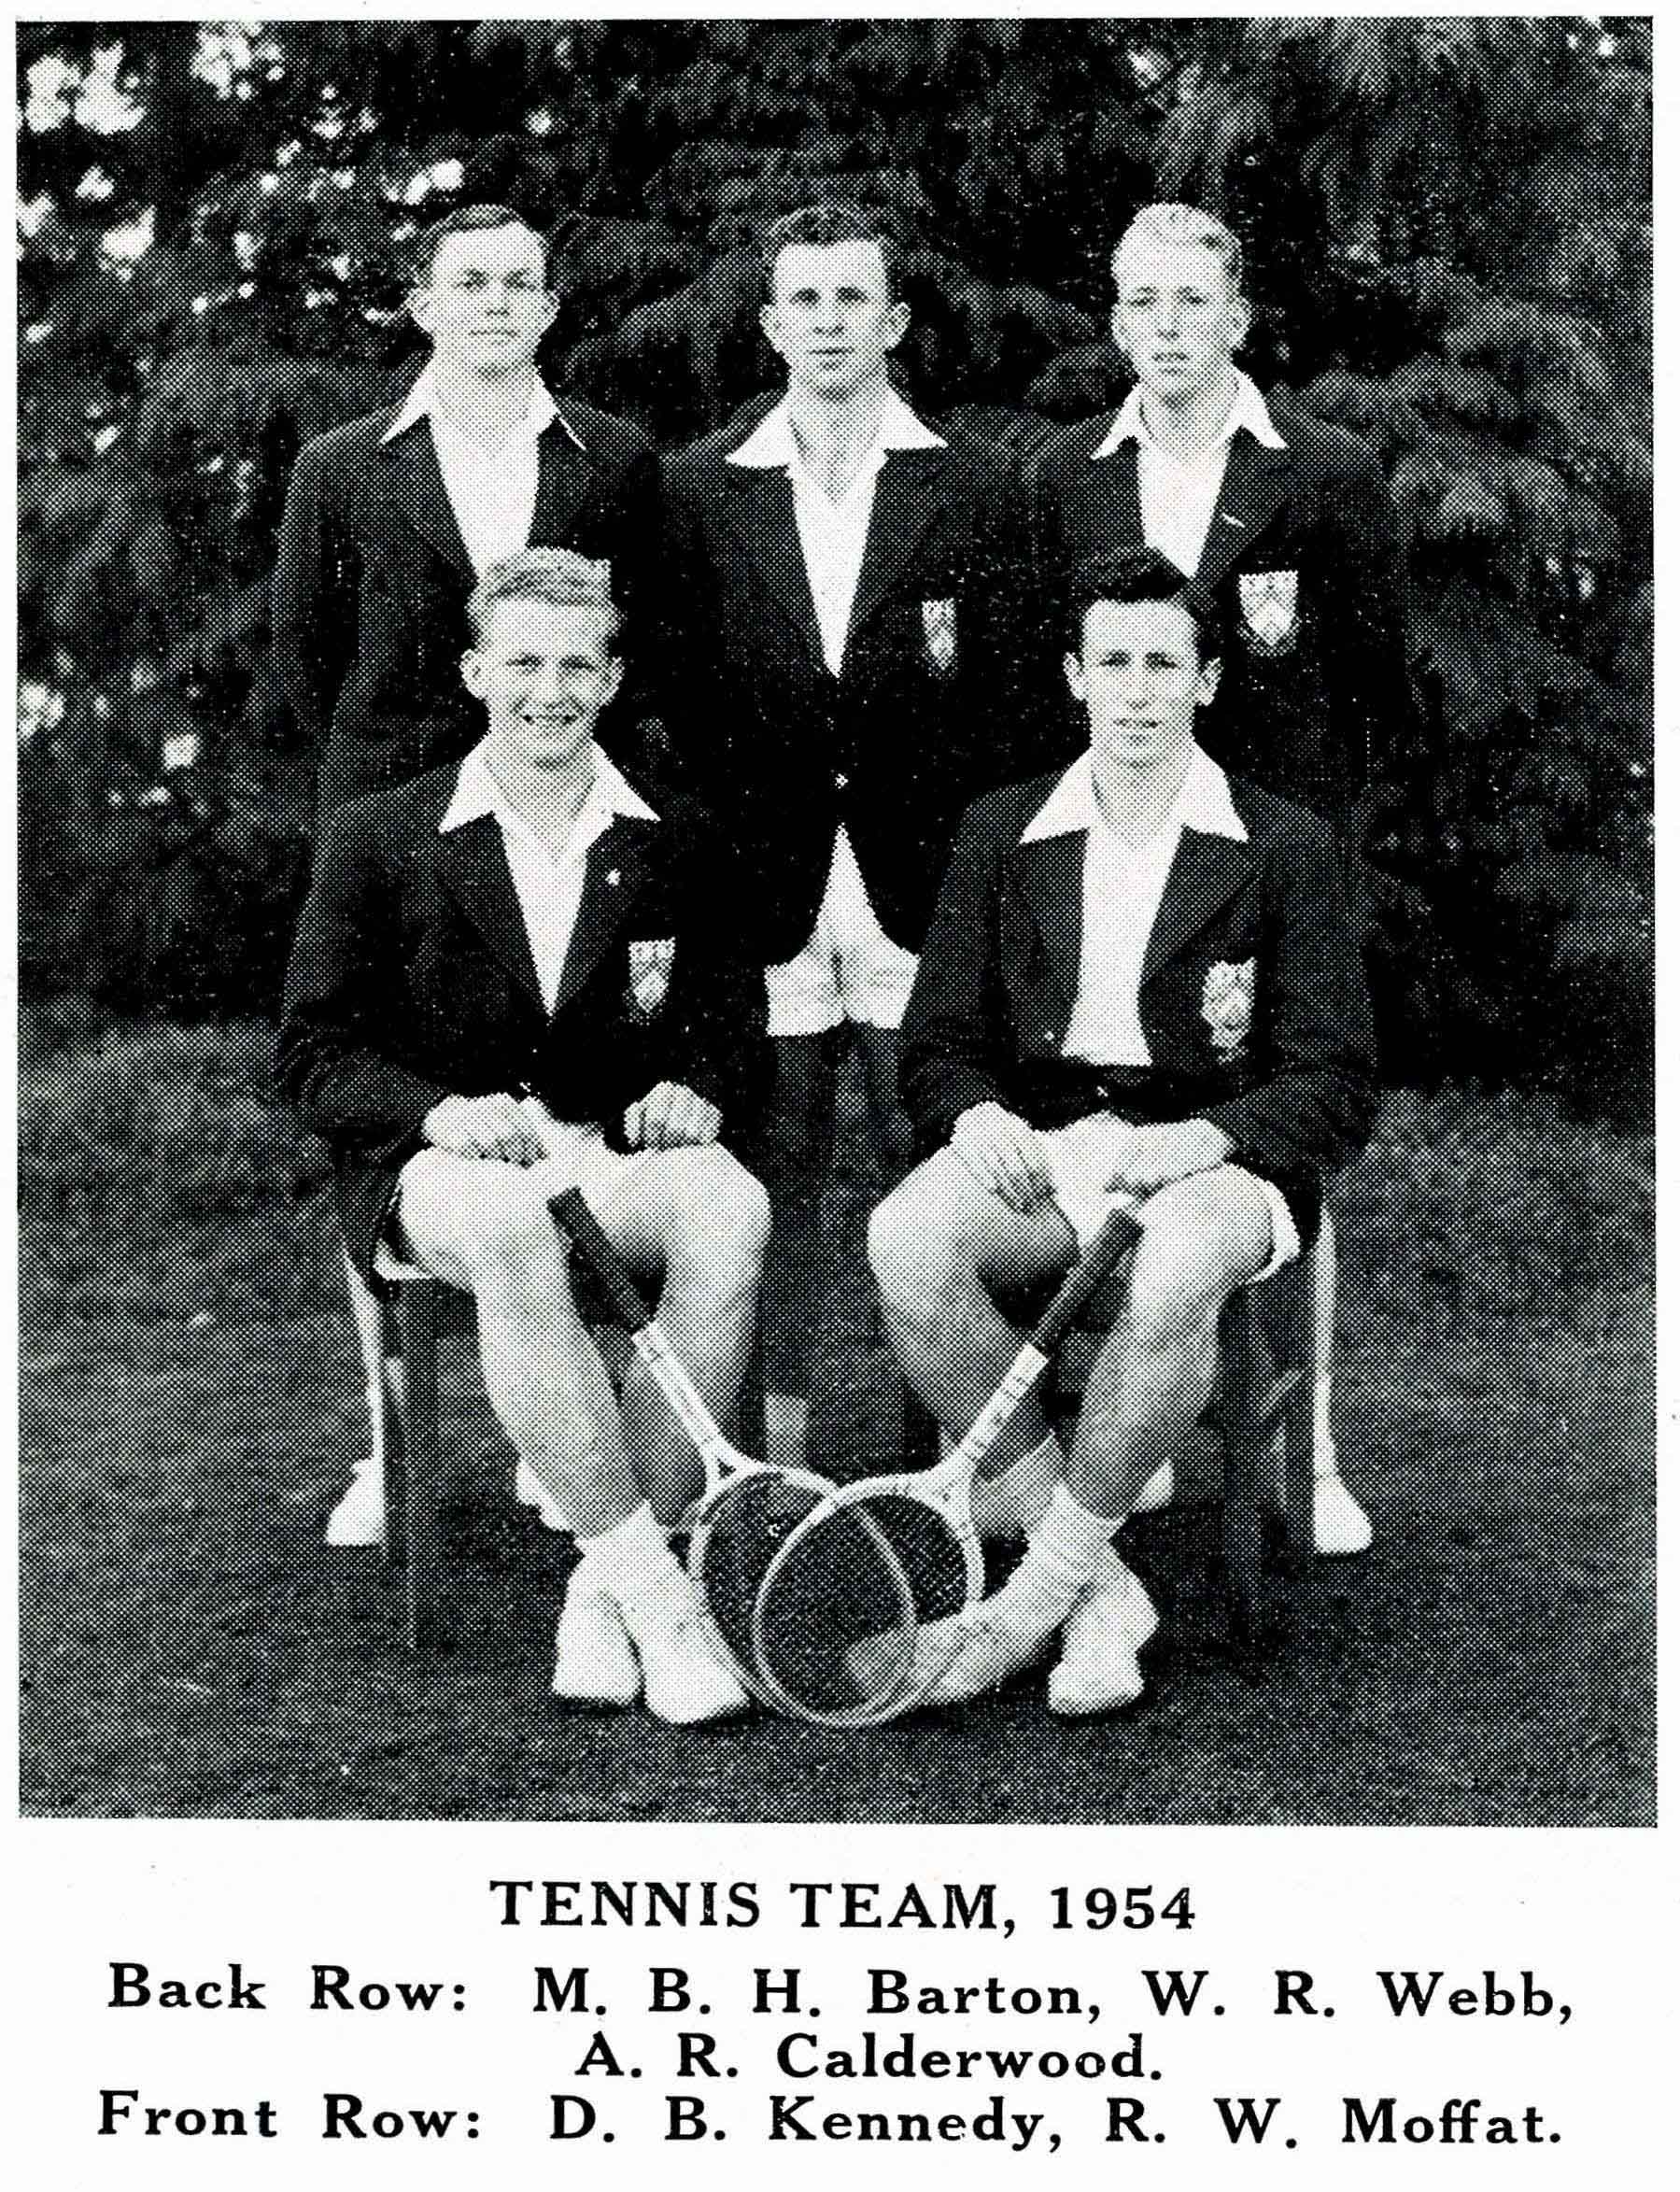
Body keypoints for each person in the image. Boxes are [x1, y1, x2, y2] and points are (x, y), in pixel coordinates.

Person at [868, 549, 1379, 1714]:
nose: (1137, 689)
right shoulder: (1002, 829)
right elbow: (934, 1044)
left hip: (1213, 1155)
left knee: (1176, 1271)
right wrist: (975, 1111)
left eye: (1163, 663)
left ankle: (1026, 1605)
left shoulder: (1280, 840)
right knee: (904, 1243)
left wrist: (1212, 1136)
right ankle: (1096, 1588)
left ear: (1206, 681)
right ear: (1072, 675)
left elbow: (1336, 1081)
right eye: (1113, 662)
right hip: (1048, 1142)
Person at [275, 550, 769, 1724]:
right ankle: (659, 1599)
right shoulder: (380, 833)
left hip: (602, 1153)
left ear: (610, 680)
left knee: (727, 1205)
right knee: (508, 1227)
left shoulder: (676, 835)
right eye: (522, 661)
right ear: (473, 670)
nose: (547, 688)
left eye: (574, 664)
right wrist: (438, 1112)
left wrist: (695, 1090)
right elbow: (309, 1054)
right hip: (439, 1168)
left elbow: (731, 1033)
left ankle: (606, 1584)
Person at [1027, 202, 1416, 1552]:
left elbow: (1374, 687)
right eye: (1141, 302)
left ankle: (1300, 1449)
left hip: (1263, 876)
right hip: (1116, 862)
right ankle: (1113, 1439)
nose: (1166, 326)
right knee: (1101, 1135)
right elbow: (1050, 686)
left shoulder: (1324, 470)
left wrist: (1299, 839)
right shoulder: (1063, 473)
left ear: (1237, 317)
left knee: (1278, 1153)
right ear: (1116, 319)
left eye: (1192, 301)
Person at [662, 201, 1041, 1471]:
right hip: (762, 886)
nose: (827, 322)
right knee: (764, 1189)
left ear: (891, 321)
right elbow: (673, 697)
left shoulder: (976, 484)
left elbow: (1013, 707)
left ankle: (958, 1460)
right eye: (803, 301)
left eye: (851, 300)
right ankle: (762, 1470)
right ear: (771, 324)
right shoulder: (698, 488)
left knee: (929, 1171)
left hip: (918, 883)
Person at [271, 202, 665, 821]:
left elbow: (651, 635)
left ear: (547, 311)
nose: (497, 303)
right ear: (425, 308)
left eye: (518, 285)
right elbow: (304, 650)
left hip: (572, 799)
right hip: (391, 807)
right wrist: (388, 754)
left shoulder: (616, 458)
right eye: (471, 284)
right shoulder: (337, 465)